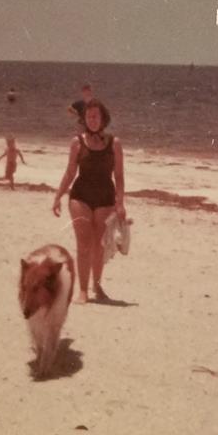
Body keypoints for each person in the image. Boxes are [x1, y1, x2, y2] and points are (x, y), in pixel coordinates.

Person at [53, 99, 126, 304]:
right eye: (89, 116)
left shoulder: (115, 143)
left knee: (99, 246)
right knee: (84, 244)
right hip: (80, 197)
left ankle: (97, 286)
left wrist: (120, 203)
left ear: (103, 119)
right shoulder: (77, 142)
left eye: (96, 116)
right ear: (84, 119)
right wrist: (58, 196)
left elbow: (119, 176)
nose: (92, 120)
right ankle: (83, 290)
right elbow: (70, 173)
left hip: (105, 197)